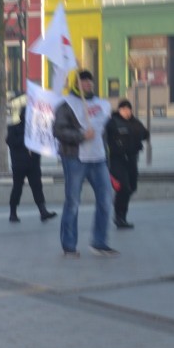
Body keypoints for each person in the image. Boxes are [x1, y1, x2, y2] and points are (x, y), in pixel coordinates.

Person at [53, 70, 117, 257]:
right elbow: (58, 130)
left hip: (98, 159)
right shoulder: (66, 105)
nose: (88, 84)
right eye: (83, 81)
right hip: (75, 158)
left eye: (90, 81)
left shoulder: (100, 104)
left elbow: (106, 129)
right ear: (76, 84)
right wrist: (81, 136)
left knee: (106, 200)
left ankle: (100, 242)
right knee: (73, 202)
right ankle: (69, 245)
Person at [6, 107, 57, 223]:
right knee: (17, 188)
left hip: (33, 163)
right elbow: (10, 141)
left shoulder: (37, 129)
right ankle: (12, 212)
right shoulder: (13, 128)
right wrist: (26, 135)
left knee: (37, 187)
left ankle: (43, 211)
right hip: (19, 164)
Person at [106, 98, 150, 229]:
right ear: (119, 110)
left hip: (132, 159)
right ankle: (119, 217)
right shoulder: (112, 122)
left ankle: (120, 208)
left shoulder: (135, 122)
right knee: (124, 187)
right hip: (117, 160)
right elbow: (104, 137)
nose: (126, 111)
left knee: (132, 187)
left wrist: (142, 135)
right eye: (123, 109)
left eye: (128, 109)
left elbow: (145, 134)